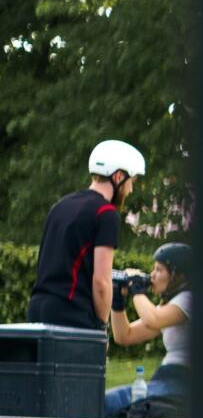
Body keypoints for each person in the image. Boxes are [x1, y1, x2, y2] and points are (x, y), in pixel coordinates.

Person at [31, 141, 145, 333]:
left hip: (37, 307)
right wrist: (102, 326)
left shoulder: (60, 206)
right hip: (71, 313)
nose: (130, 190)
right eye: (131, 182)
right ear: (118, 177)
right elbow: (102, 281)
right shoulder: (105, 213)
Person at [104, 243, 193, 418]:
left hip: (182, 381)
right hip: (166, 378)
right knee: (108, 401)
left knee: (111, 402)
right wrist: (118, 302)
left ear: (177, 275)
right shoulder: (170, 306)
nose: (152, 275)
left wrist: (136, 289)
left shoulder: (189, 299)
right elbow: (124, 336)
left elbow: (154, 319)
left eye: (159, 270)